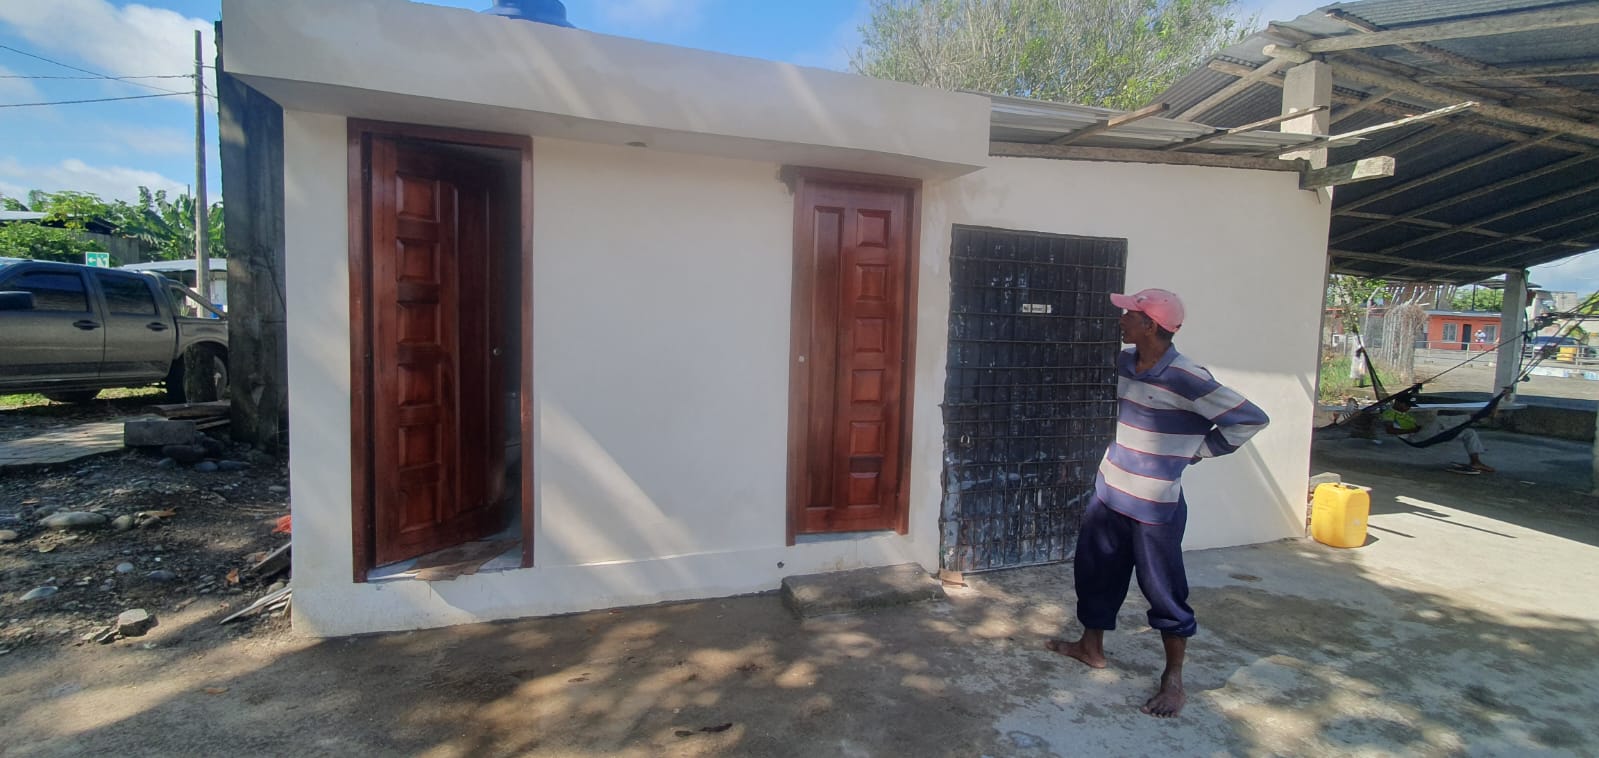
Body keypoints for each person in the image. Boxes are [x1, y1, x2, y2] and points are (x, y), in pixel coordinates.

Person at [1045, 288, 1269, 718]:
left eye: (1129, 314)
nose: (1121, 320)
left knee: (1164, 590)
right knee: (1094, 574)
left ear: (1150, 325)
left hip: (1154, 507)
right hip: (1110, 491)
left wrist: (1194, 452)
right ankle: (1090, 647)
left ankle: (1173, 680)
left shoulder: (1189, 377)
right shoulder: (1125, 363)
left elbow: (1251, 419)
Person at [1381, 396, 1494, 473]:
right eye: (1406, 405)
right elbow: (1389, 430)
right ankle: (1473, 417)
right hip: (1415, 438)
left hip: (1423, 433)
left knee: (1469, 432)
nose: (1408, 408)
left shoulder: (1404, 413)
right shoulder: (1389, 413)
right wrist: (1412, 430)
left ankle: (1475, 462)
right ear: (1397, 403)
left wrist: (1417, 428)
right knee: (1438, 421)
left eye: (1410, 405)